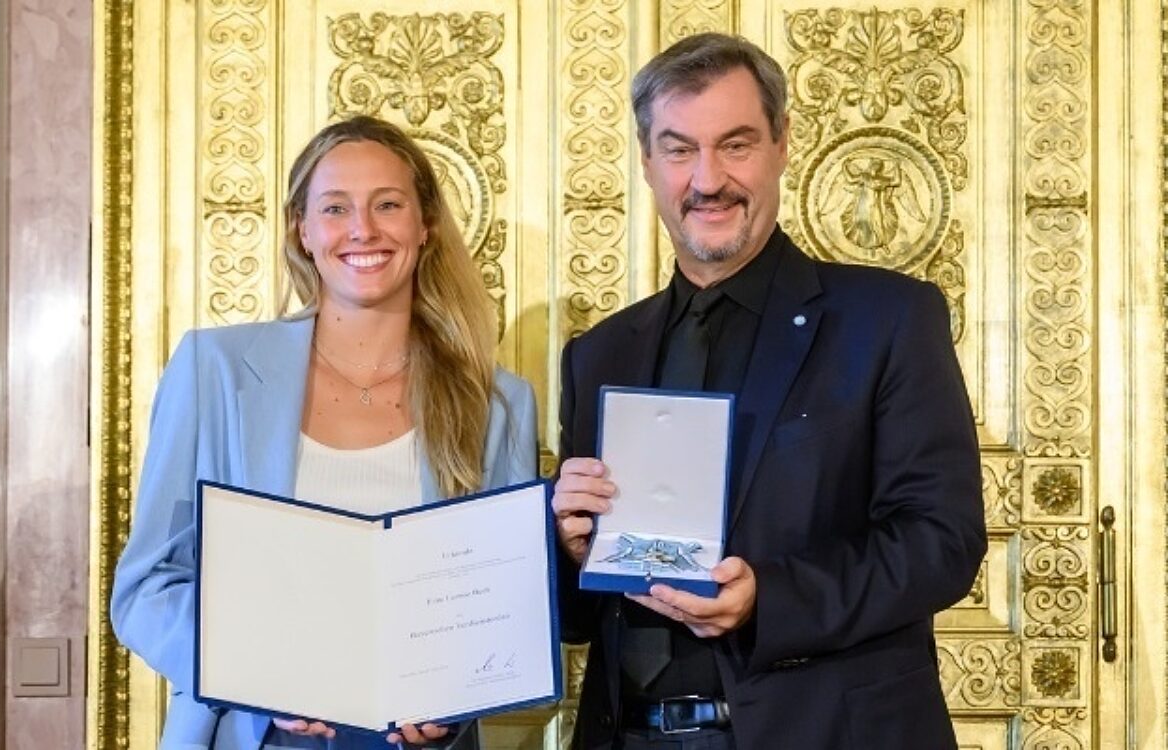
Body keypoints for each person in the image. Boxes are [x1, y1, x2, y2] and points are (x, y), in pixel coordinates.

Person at [552, 33, 986, 749]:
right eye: (679, 148)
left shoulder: (887, 319)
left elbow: (942, 540)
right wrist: (570, 550)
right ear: (647, 161)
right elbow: (577, 620)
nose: (708, 179)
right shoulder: (598, 353)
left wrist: (770, 600)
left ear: (782, 144)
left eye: (737, 144)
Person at [111, 115, 538, 749]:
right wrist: (256, 671)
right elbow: (146, 587)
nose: (363, 229)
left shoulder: (498, 403)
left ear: (426, 227)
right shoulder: (213, 372)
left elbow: (503, 609)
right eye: (336, 208)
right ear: (303, 231)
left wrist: (453, 699)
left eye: (387, 205)